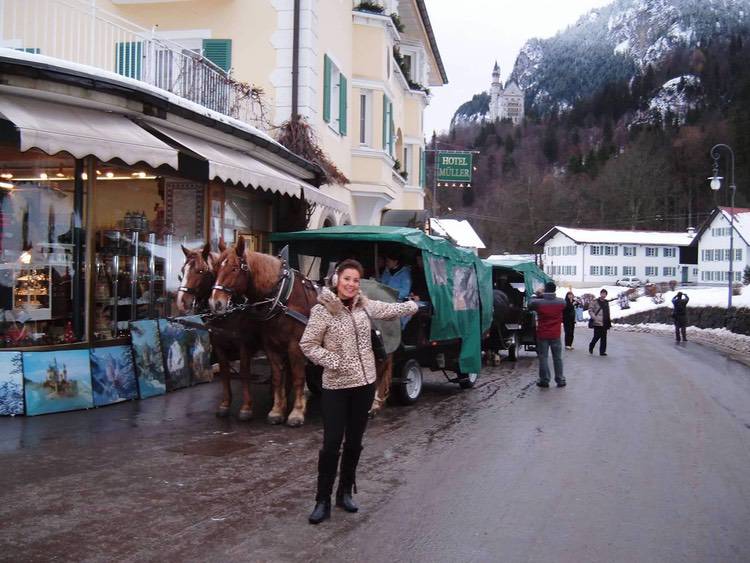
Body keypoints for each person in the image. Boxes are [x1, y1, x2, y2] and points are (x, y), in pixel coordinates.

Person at [300, 259, 417, 525]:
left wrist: (411, 306)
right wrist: (334, 361)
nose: (351, 284)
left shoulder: (364, 304)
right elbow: (308, 345)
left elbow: (388, 310)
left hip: (364, 386)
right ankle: (322, 500)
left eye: (355, 280)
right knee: (331, 444)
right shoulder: (323, 310)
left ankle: (345, 493)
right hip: (336, 388)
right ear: (336, 280)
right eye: (347, 279)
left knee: (354, 442)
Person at [529, 281, 566, 388]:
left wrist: (537, 294)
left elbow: (530, 304)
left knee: (543, 357)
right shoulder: (561, 302)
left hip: (543, 334)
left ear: (545, 289)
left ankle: (544, 380)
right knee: (557, 358)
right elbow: (565, 305)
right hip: (555, 334)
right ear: (555, 290)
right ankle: (560, 379)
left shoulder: (539, 303)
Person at [588, 289, 613, 356]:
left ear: (606, 295)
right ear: (600, 294)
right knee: (596, 336)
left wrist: (608, 321)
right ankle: (591, 345)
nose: (603, 295)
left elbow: (607, 312)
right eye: (602, 293)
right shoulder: (595, 301)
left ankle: (602, 351)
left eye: (605, 294)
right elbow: (590, 310)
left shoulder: (606, 302)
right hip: (597, 322)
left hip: (605, 322)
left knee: (604, 338)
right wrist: (594, 317)